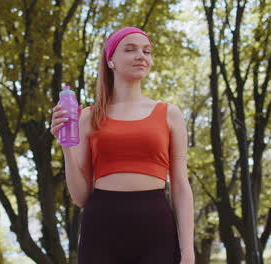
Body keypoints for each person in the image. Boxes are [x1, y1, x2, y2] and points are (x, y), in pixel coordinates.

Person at [50, 26, 194, 264]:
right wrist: (66, 145)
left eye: (146, 51)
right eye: (130, 49)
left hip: (156, 229)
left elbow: (180, 186)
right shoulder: (88, 116)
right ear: (111, 61)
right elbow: (80, 197)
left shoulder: (170, 114)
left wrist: (187, 251)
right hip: (101, 230)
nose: (141, 56)